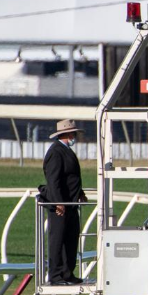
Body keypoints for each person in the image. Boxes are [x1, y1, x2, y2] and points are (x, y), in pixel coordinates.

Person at [41, 119, 86, 285]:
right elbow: (54, 180)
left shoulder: (65, 150)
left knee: (71, 238)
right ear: (67, 134)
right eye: (73, 133)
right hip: (61, 205)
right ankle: (55, 275)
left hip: (71, 203)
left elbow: (70, 177)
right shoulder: (56, 152)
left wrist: (79, 192)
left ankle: (67, 273)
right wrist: (58, 202)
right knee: (58, 240)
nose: (75, 137)